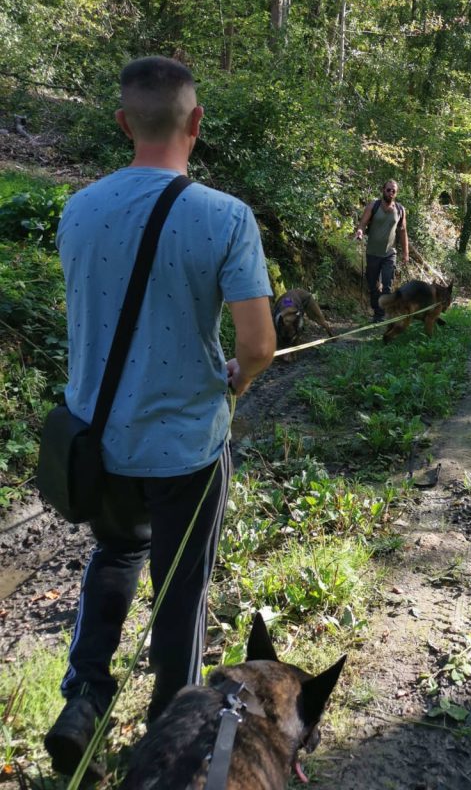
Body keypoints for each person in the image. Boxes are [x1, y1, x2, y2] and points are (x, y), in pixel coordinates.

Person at [44, 57, 275, 779]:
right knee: (182, 592)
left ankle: (84, 697)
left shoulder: (77, 209)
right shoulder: (225, 217)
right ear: (196, 124)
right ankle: (169, 732)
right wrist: (240, 376)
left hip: (98, 439)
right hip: (186, 452)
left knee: (114, 556)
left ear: (123, 124)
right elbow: (258, 344)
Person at [354, 179, 409, 321]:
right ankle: (377, 314)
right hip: (372, 253)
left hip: (389, 254)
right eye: (388, 189)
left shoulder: (400, 210)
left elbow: (403, 232)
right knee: (373, 287)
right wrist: (360, 232)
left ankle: (385, 315)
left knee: (387, 286)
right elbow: (362, 224)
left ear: (396, 194)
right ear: (383, 190)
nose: (391, 192)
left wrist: (406, 254)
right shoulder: (374, 205)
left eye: (394, 191)